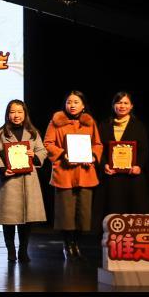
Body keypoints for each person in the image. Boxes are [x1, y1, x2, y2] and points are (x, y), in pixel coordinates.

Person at [44, 90, 103, 259]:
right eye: (69, 102)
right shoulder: (56, 122)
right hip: (64, 173)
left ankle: (76, 243)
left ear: (83, 105)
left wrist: (93, 156)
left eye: (76, 102)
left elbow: (98, 144)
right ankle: (67, 243)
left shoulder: (90, 123)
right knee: (66, 213)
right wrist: (63, 154)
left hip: (85, 173)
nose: (72, 105)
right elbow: (48, 143)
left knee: (83, 213)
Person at [0, 100, 48, 262]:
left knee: (26, 219)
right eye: (13, 112)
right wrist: (1, 170)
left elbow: (42, 150)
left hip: (28, 181)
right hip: (8, 181)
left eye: (20, 112)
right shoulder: (0, 133)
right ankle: (11, 251)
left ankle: (23, 250)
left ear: (25, 114)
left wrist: (34, 156)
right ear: (8, 114)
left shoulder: (32, 132)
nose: (16, 115)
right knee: (8, 219)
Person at [96, 92, 149, 224]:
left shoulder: (139, 125)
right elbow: (98, 148)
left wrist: (139, 166)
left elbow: (144, 149)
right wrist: (104, 165)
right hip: (111, 176)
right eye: (119, 102)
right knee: (112, 213)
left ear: (131, 106)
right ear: (113, 105)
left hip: (133, 176)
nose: (122, 106)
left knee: (134, 212)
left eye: (126, 103)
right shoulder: (104, 125)